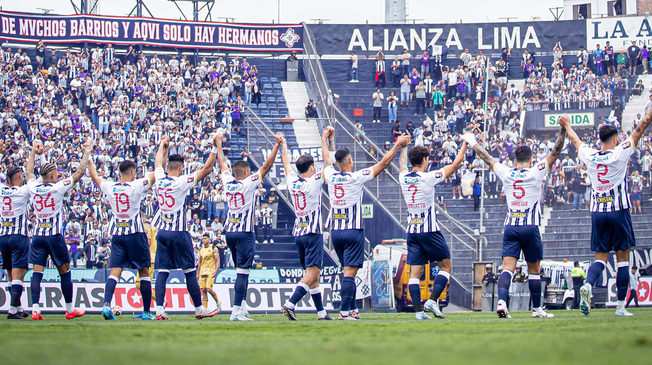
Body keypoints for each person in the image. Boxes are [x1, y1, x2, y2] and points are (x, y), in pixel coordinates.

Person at [463, 119, 567, 319]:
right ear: (530, 160)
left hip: (511, 227)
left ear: (514, 160)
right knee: (534, 270)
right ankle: (536, 310)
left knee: (508, 269)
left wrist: (473, 142)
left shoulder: (507, 172)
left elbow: (487, 158)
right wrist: (562, 129)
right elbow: (555, 151)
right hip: (529, 226)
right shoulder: (536, 171)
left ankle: (502, 303)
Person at [562, 107, 652, 317]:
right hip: (618, 210)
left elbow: (576, 141)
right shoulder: (620, 152)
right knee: (622, 260)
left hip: (598, 212)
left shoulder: (590, 155)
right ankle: (621, 307)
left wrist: (566, 124)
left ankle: (588, 286)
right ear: (614, 139)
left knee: (600, 259)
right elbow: (640, 129)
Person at [323, 126, 410, 320]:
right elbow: (383, 163)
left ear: (337, 164)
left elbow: (326, 160)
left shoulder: (330, 176)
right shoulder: (356, 177)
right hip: (353, 231)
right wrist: (397, 145)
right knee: (349, 274)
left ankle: (352, 309)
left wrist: (327, 140)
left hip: (335, 232)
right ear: (351, 161)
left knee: (347, 271)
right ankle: (344, 312)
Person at [151, 135, 221, 321]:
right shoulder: (181, 181)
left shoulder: (159, 179)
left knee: (163, 272)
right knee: (189, 270)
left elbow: (158, 163)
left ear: (168, 168)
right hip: (179, 232)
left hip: (163, 232)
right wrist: (214, 148)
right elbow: (206, 170)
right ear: (181, 169)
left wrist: (162, 146)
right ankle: (199, 309)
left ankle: (159, 310)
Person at [398, 139, 468, 320]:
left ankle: (419, 313)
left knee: (415, 273)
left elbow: (401, 165)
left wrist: (403, 147)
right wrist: (465, 144)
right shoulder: (428, 178)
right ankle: (432, 300)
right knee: (446, 267)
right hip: (429, 231)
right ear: (424, 160)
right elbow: (456, 165)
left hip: (412, 231)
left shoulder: (403, 178)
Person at [216, 131, 282, 321]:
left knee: (239, 271)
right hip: (244, 233)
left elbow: (222, 165)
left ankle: (242, 307)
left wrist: (218, 145)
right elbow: (266, 166)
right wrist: (276, 145)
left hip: (230, 233)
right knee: (244, 273)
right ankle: (236, 312)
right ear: (246, 172)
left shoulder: (228, 182)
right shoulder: (249, 182)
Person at [87, 153, 157, 321]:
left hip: (118, 235)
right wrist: (163, 149)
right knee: (144, 272)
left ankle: (105, 305)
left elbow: (95, 176)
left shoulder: (110, 187)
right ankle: (146, 311)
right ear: (133, 172)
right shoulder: (137, 185)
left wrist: (88, 157)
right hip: (135, 234)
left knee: (114, 272)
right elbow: (156, 174)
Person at [28, 139, 92, 320]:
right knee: (65, 271)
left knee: (37, 272)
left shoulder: (33, 187)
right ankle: (70, 309)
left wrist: (35, 153)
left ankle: (35, 309)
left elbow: (28, 173)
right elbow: (79, 173)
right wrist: (86, 152)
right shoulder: (57, 188)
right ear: (53, 175)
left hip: (38, 236)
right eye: (56, 173)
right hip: (54, 236)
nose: (58, 175)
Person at [280, 131, 334, 321]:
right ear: (311, 167)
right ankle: (290, 304)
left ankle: (321, 313)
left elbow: (286, 164)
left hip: (299, 233)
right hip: (313, 233)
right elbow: (329, 164)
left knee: (313, 275)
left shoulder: (293, 181)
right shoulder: (314, 180)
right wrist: (324, 140)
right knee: (312, 273)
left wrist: (283, 144)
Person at [0, 140, 38, 319]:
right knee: (19, 274)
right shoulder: (23, 191)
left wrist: (1, 154)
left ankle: (18, 308)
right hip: (18, 236)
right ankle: (12, 311)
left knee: (10, 274)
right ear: (18, 178)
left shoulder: (1, 190)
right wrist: (32, 154)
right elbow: (30, 174)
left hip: (3, 237)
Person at [197, 233, 221, 311]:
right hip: (202, 272)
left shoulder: (213, 248)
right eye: (203, 239)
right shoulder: (201, 249)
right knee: (203, 290)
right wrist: (198, 273)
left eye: (205, 238)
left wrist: (216, 270)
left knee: (209, 289)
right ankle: (205, 309)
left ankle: (218, 302)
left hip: (210, 271)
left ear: (209, 239)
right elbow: (200, 262)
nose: (204, 240)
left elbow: (217, 260)